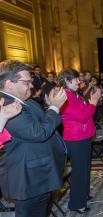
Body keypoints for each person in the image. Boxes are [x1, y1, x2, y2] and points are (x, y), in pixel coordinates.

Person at [0, 60, 67, 217]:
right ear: (9, 84)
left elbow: (42, 122)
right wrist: (54, 108)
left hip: (38, 172)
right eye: (27, 82)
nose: (31, 85)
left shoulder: (26, 101)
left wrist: (50, 106)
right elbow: (37, 133)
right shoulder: (6, 104)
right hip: (27, 176)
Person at [59, 68, 101, 214]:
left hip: (84, 135)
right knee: (79, 172)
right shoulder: (65, 96)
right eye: (76, 79)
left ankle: (83, 195)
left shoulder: (74, 94)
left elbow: (86, 113)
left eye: (79, 79)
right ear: (67, 81)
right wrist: (94, 102)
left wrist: (90, 103)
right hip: (76, 138)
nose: (79, 82)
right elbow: (83, 116)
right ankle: (76, 203)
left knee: (84, 169)